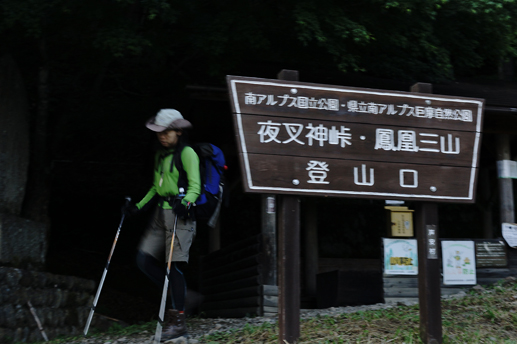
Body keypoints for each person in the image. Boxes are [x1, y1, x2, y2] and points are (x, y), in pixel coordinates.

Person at [125, 108, 200, 341]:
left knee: (173, 266)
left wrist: (186, 203)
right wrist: (138, 206)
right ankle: (183, 296)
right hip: (160, 213)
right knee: (143, 259)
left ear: (178, 131)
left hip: (180, 215)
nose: (162, 136)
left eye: (166, 132)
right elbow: (155, 187)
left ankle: (178, 322)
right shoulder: (160, 154)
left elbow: (195, 186)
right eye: (159, 132)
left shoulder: (188, 153)